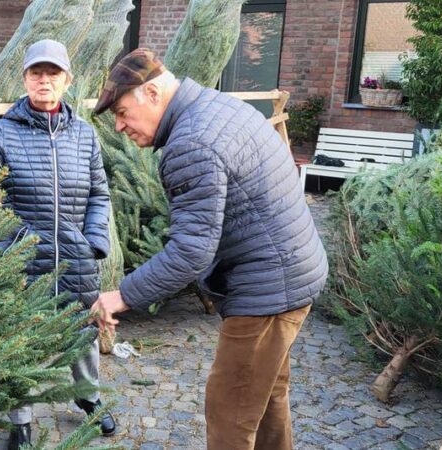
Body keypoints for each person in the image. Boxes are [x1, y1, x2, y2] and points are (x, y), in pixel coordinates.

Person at [90, 48, 328, 450]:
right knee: (267, 395)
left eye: (122, 112)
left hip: (268, 289)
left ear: (151, 93)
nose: (118, 126)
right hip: (295, 269)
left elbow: (189, 253)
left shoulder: (191, 143)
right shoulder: (217, 107)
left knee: (230, 414)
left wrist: (120, 296)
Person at [0, 39, 116, 449]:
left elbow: (100, 196)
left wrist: (94, 243)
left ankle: (89, 398)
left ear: (67, 80)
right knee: (20, 340)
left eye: (53, 73)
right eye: (37, 73)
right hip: (23, 256)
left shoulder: (85, 136)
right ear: (25, 79)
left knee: (82, 336)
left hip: (76, 256)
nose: (44, 81)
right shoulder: (3, 130)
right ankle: (21, 422)